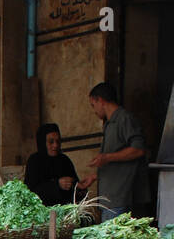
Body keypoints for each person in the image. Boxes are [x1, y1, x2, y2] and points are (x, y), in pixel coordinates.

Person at [81, 82, 146, 221]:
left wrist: (107, 157)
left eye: (93, 105)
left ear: (101, 100)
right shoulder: (109, 124)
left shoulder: (124, 119)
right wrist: (95, 176)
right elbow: (116, 162)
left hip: (120, 197)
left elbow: (138, 150)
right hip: (110, 198)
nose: (94, 110)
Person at [25, 124, 80, 206]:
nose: (55, 145)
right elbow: (31, 192)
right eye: (51, 142)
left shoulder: (64, 160)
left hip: (65, 209)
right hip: (42, 210)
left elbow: (74, 186)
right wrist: (57, 185)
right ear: (43, 143)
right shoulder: (34, 161)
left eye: (58, 141)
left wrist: (79, 186)